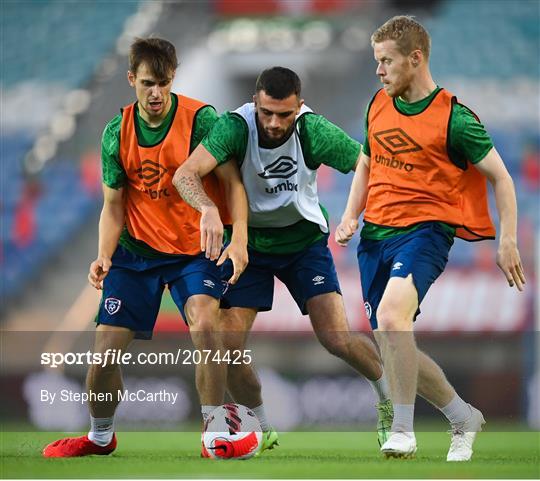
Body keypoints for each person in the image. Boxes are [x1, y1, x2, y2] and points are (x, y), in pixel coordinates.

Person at [42, 37, 248, 458]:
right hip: (135, 254)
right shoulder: (116, 132)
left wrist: (233, 232)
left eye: (165, 83)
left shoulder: (200, 120)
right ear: (132, 78)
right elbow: (113, 205)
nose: (157, 93)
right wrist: (103, 254)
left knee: (206, 327)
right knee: (102, 357)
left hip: (194, 249)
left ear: (174, 79)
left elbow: (231, 182)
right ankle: (101, 436)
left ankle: (213, 434)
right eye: (149, 83)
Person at [336, 16, 526, 461]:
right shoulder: (377, 104)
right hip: (374, 237)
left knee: (390, 316)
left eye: (386, 61)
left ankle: (402, 430)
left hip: (425, 233)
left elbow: (501, 177)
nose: (379, 71)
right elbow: (367, 163)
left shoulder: (455, 118)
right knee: (391, 334)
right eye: (376, 62)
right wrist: (349, 216)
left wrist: (508, 239)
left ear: (415, 58)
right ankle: (462, 416)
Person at [173, 66, 393, 451]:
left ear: (300, 107)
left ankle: (389, 401)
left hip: (303, 242)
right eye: (267, 113)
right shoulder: (234, 127)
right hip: (248, 246)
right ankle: (264, 426)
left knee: (336, 338)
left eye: (284, 114)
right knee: (227, 345)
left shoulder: (314, 130)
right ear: (255, 103)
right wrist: (207, 207)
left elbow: (366, 165)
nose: (274, 123)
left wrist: (352, 214)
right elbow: (185, 174)